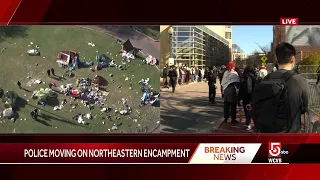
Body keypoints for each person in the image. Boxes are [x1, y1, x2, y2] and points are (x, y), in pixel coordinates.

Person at [252, 42, 309, 133]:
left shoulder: (265, 80)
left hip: (266, 133)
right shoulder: (301, 80)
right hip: (291, 133)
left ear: (277, 59)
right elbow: (304, 107)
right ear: (292, 59)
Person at [238, 66, 257, 130]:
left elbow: (240, 88)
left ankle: (248, 123)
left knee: (247, 110)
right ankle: (254, 124)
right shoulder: (253, 77)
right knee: (252, 110)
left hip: (244, 96)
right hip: (252, 96)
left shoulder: (242, 77)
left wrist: (239, 97)